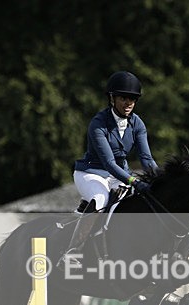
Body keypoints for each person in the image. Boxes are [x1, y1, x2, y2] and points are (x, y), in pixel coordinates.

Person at [60, 71, 158, 267]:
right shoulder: (98, 124)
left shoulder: (137, 123)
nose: (128, 103)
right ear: (112, 98)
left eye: (132, 99)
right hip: (90, 173)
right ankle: (72, 251)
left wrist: (160, 178)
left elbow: (146, 158)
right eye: (123, 98)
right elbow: (108, 163)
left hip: (119, 174)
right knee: (101, 199)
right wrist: (133, 181)